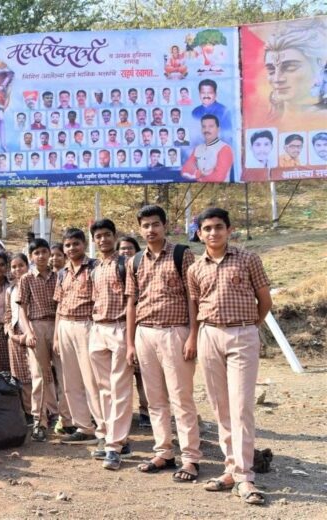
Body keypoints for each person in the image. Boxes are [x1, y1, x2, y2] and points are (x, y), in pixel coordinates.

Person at [187, 208, 272, 506]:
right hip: (209, 335)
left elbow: (265, 301)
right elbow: (195, 306)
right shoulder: (195, 268)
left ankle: (245, 476)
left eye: (218, 227)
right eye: (207, 228)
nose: (213, 233)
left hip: (243, 335)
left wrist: (249, 328)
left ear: (229, 230)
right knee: (221, 406)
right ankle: (230, 469)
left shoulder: (248, 259)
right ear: (199, 234)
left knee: (241, 406)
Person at [126, 205, 201, 484]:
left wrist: (193, 335)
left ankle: (191, 458)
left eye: (155, 224)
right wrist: (131, 342)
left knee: (181, 398)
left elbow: (194, 298)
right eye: (145, 225)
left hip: (176, 333)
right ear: (140, 228)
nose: (150, 230)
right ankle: (163, 452)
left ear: (165, 225)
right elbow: (131, 303)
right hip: (145, 334)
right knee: (155, 400)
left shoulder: (182, 254)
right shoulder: (135, 261)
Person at [86, 220, 134, 470]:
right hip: (98, 328)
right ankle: (113, 437)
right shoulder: (95, 267)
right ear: (93, 240)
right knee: (104, 389)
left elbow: (131, 301)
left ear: (115, 237)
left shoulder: (125, 264)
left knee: (121, 388)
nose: (103, 240)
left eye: (107, 235)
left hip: (119, 327)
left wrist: (130, 336)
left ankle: (114, 447)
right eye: (98, 236)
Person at [52, 229, 103, 445]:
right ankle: (84, 427)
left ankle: (104, 430)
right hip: (65, 326)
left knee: (92, 381)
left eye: (76, 244)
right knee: (70, 381)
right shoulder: (62, 273)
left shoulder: (95, 268)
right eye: (68, 245)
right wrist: (56, 335)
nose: (72, 248)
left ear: (84, 244)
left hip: (87, 326)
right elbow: (59, 305)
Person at [18, 239, 65, 442]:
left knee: (65, 374)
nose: (42, 256)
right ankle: (40, 421)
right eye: (37, 252)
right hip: (36, 326)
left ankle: (66, 420)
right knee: (40, 376)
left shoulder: (60, 277)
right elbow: (22, 309)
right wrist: (28, 332)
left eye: (45, 252)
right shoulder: (26, 279)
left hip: (59, 324)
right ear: (31, 257)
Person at [117, 237, 150, 429]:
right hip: (118, 328)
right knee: (121, 377)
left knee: (143, 374)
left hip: (141, 326)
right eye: (122, 249)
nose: (125, 252)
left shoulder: (140, 268)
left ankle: (146, 411)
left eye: (130, 248)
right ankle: (125, 415)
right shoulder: (113, 269)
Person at [3, 253, 33, 419]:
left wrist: (28, 333)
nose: (17, 269)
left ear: (27, 266)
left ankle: (45, 411)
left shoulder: (34, 283)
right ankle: (28, 411)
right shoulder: (10, 289)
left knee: (37, 373)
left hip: (31, 334)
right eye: (14, 266)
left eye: (21, 265)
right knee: (20, 375)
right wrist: (10, 332)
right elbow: (8, 312)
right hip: (14, 336)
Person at [182, 114, 233, 183]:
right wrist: (201, 173)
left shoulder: (225, 149)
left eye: (211, 126)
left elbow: (218, 178)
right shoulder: (197, 149)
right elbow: (185, 171)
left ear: (218, 129)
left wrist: (196, 175)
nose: (206, 130)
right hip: (199, 191)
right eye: (204, 127)